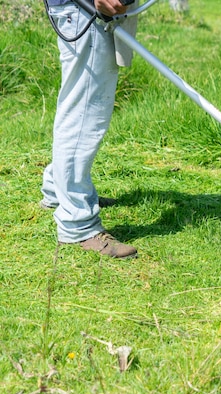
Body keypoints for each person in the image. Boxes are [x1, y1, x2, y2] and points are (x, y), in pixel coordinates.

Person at [40, 0, 137, 258]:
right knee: (85, 113)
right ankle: (78, 223)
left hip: (80, 11)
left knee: (78, 101)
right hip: (86, 11)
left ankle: (57, 188)